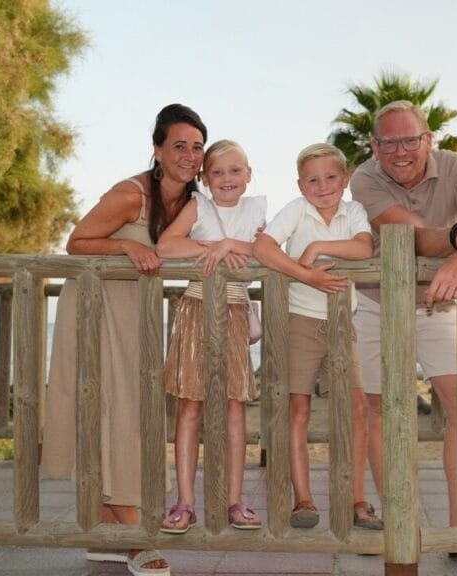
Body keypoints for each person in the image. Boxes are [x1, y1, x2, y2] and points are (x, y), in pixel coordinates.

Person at [349, 100, 457, 575]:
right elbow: (413, 235)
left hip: (438, 302)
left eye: (410, 139)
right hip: (378, 303)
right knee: (381, 409)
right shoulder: (365, 179)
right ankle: (400, 526)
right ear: (374, 146)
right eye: (389, 142)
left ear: (428, 139)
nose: (401, 151)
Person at [42, 103, 208, 576]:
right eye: (179, 145)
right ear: (157, 149)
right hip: (96, 307)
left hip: (136, 312)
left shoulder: (193, 201)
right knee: (114, 410)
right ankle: (135, 534)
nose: (189, 155)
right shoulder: (130, 194)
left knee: (125, 409)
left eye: (196, 147)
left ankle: (103, 528)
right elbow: (77, 241)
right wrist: (126, 244)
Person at [253, 143, 381, 530]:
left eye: (330, 177)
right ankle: (303, 500)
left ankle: (357, 499)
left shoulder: (353, 211)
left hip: (343, 323)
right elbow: (262, 245)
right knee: (298, 409)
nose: (322, 186)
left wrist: (317, 247)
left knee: (356, 409)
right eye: (313, 179)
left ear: (344, 180)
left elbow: (364, 247)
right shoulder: (297, 209)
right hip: (300, 320)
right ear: (300, 184)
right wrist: (306, 273)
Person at [155, 140, 266, 534]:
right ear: (204, 178)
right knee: (190, 406)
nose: (227, 179)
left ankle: (234, 499)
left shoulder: (258, 210)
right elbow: (166, 246)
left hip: (235, 312)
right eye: (217, 172)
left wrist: (235, 245)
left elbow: (266, 253)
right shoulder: (199, 206)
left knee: (235, 407)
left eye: (236, 171)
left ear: (249, 175)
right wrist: (213, 248)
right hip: (196, 309)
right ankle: (185, 501)